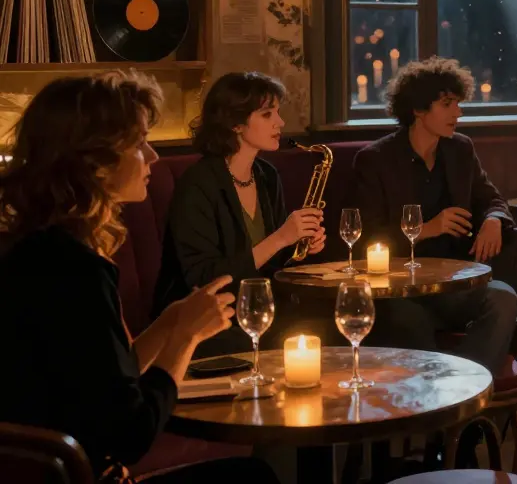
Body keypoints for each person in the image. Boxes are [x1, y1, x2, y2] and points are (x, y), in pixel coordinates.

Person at [0, 72, 278, 483]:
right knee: (251, 478)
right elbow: (130, 434)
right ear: (93, 160)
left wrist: (168, 323)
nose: (151, 156)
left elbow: (109, 379)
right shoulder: (74, 272)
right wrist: (184, 339)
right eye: (137, 143)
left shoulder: (38, 250)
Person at [350, 56, 517, 377]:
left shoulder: (460, 150)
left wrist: (494, 219)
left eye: (458, 103)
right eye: (446, 104)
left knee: (502, 298)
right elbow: (363, 239)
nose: (458, 112)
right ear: (417, 109)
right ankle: (429, 402)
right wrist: (427, 228)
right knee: (407, 319)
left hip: (452, 284)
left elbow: (492, 198)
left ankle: (467, 387)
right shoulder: (374, 160)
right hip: (398, 291)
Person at [153, 72, 326, 356]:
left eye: (277, 113)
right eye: (267, 114)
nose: (280, 123)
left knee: (321, 326)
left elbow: (272, 261)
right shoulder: (198, 184)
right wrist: (281, 238)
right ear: (235, 123)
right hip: (207, 319)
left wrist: (300, 246)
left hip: (259, 307)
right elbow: (204, 279)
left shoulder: (266, 175)